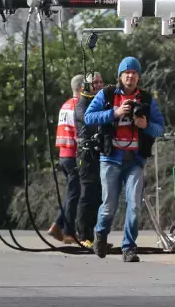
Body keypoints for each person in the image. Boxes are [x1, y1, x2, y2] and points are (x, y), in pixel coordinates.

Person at [85, 56, 166, 262]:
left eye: (134, 73)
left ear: (138, 76)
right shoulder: (107, 94)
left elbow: (160, 129)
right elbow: (89, 117)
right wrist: (115, 112)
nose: (130, 76)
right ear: (120, 76)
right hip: (111, 158)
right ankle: (101, 233)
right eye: (127, 73)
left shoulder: (146, 99)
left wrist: (145, 125)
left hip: (135, 161)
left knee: (134, 205)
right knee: (110, 204)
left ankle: (129, 247)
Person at [48, 74, 84, 244]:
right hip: (73, 154)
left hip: (63, 154)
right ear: (82, 88)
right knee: (74, 194)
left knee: (73, 193)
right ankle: (68, 232)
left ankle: (58, 226)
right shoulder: (78, 106)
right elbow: (80, 134)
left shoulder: (66, 105)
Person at [74, 72, 104, 248]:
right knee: (87, 193)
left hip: (100, 153)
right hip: (86, 155)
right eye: (95, 82)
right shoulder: (83, 104)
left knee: (99, 196)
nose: (99, 84)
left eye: (101, 81)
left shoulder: (101, 101)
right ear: (86, 86)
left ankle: (93, 236)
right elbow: (88, 119)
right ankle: (83, 235)